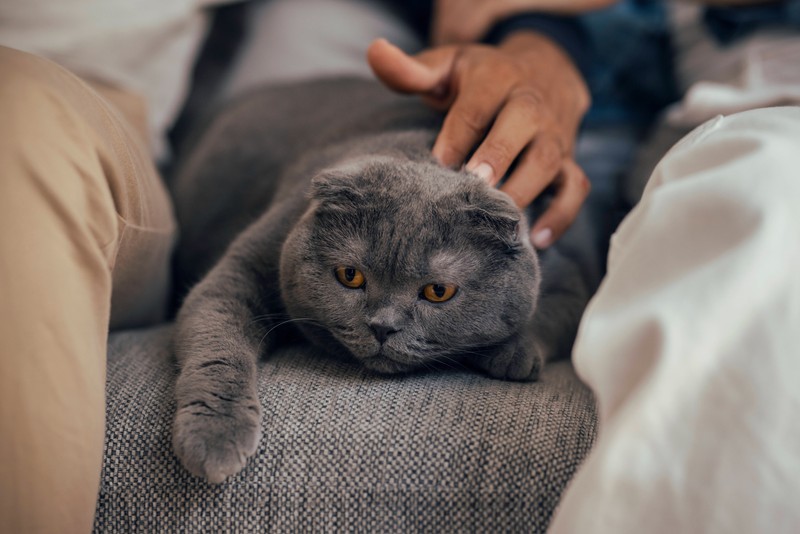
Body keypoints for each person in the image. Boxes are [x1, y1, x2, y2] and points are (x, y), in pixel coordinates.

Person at [0, 0, 612, 531]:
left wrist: (536, 46)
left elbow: (565, 275)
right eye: (352, 279)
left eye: (434, 290)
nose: (383, 326)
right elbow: (237, 284)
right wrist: (218, 391)